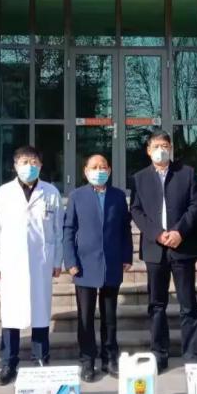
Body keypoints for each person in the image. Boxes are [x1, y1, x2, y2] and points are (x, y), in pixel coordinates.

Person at [130, 130, 197, 373]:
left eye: (164, 145)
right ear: (148, 150)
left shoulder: (187, 173)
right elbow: (136, 210)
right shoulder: (140, 178)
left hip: (182, 247)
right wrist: (157, 234)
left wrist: (179, 232)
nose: (160, 150)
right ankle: (159, 353)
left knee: (188, 303)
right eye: (156, 146)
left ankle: (192, 354)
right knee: (156, 304)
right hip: (155, 249)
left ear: (171, 148)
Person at [0, 145, 63, 386]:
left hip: (41, 262)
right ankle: (9, 363)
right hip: (12, 263)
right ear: (15, 165)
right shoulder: (3, 193)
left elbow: (58, 231)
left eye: (33, 162)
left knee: (40, 313)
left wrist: (57, 260)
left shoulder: (51, 192)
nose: (29, 166)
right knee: (11, 314)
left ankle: (41, 359)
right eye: (24, 162)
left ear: (40, 165)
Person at [63, 154, 133, 382]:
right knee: (85, 316)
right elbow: (69, 230)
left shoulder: (118, 196)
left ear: (109, 170)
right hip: (84, 265)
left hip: (111, 263)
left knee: (109, 316)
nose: (99, 170)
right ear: (85, 171)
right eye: (94, 167)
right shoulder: (77, 196)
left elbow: (125, 228)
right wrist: (70, 261)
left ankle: (109, 358)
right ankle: (87, 360)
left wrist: (127, 256)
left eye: (103, 167)